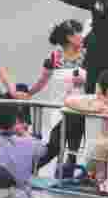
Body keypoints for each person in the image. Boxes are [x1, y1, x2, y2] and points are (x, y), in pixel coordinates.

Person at [29, 19, 87, 173]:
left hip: (81, 106)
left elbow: (95, 79)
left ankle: (66, 170)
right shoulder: (54, 57)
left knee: (72, 144)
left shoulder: (87, 54)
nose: (82, 36)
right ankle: (29, 169)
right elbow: (42, 80)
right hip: (59, 107)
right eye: (78, 33)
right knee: (55, 144)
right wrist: (29, 93)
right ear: (69, 37)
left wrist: (84, 81)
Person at [0, 105, 48, 198]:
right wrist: (24, 133)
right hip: (23, 197)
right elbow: (43, 150)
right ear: (15, 124)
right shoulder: (29, 143)